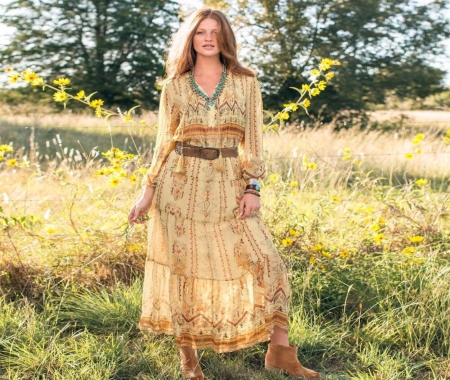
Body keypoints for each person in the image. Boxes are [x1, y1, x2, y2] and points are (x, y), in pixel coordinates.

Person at [128, 8, 320, 380]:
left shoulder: (246, 82)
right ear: (192, 38)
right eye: (201, 32)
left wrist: (254, 186)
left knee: (269, 262)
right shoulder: (175, 87)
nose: (209, 38)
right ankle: (189, 363)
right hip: (180, 184)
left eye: (216, 32)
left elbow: (255, 141)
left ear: (225, 38)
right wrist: (147, 190)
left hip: (231, 184)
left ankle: (280, 353)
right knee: (183, 271)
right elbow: (163, 143)